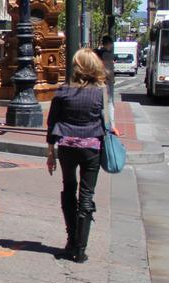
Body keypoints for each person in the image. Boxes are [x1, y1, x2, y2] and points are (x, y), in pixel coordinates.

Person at [46, 49, 119, 263]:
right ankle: (80, 248)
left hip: (67, 146)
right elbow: (106, 121)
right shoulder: (101, 92)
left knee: (68, 189)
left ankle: (70, 239)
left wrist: (50, 153)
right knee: (86, 194)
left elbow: (52, 124)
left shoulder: (62, 92)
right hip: (91, 148)